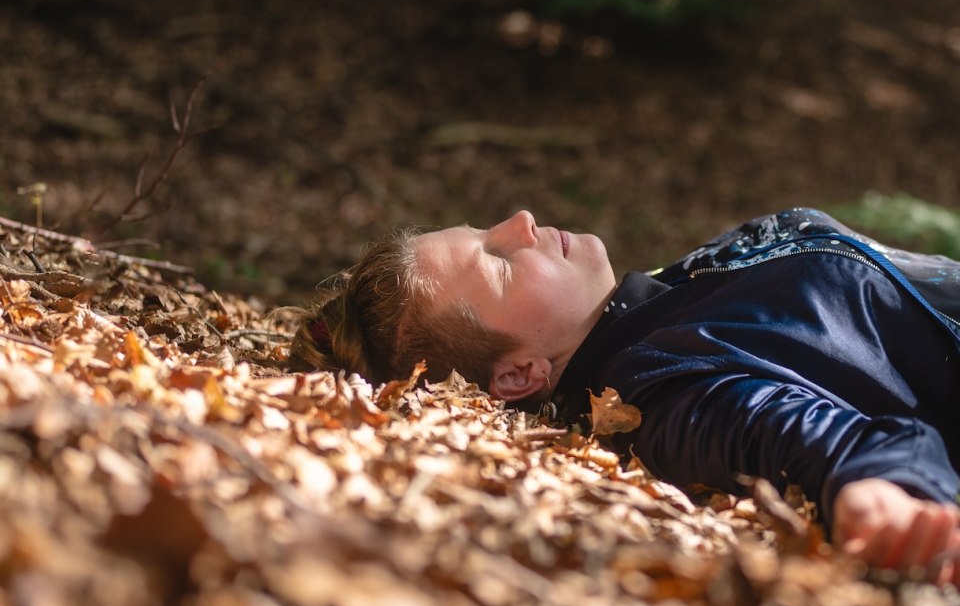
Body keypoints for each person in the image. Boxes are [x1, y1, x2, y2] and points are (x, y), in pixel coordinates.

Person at [289, 207, 960, 582]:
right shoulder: (659, 388)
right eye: (496, 263)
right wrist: (873, 488)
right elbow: (786, 433)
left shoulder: (663, 300)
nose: (520, 222)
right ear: (520, 374)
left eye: (488, 229)